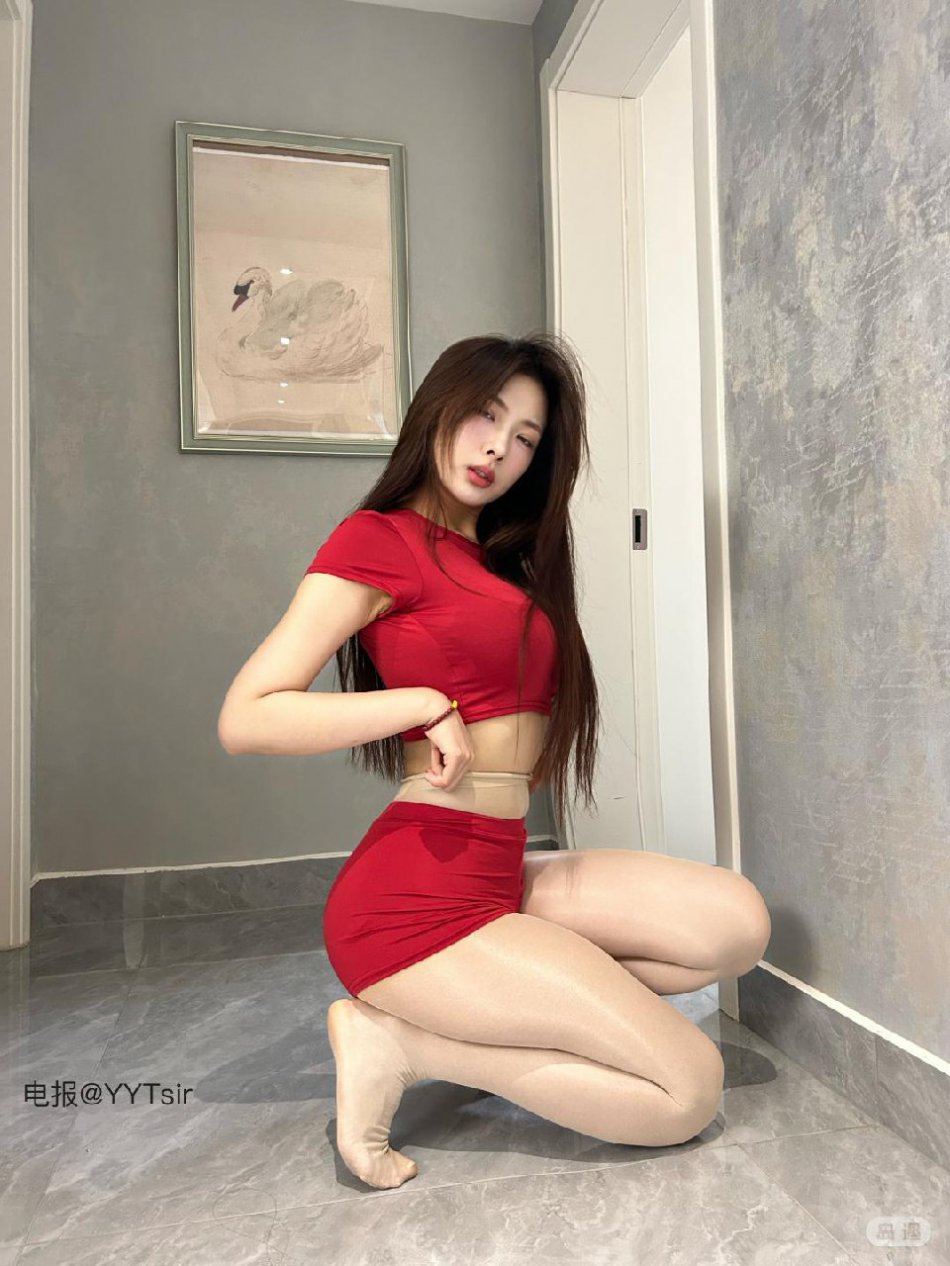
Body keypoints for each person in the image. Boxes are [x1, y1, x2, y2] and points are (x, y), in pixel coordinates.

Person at [217, 332, 772, 1191]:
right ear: (439, 408)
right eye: (485, 415)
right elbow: (247, 716)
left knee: (733, 926)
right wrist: (418, 705)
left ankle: (502, 1005)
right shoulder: (377, 539)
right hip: (413, 907)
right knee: (686, 1092)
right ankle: (406, 1041)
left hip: (499, 868)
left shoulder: (502, 562)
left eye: (524, 438)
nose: (497, 450)